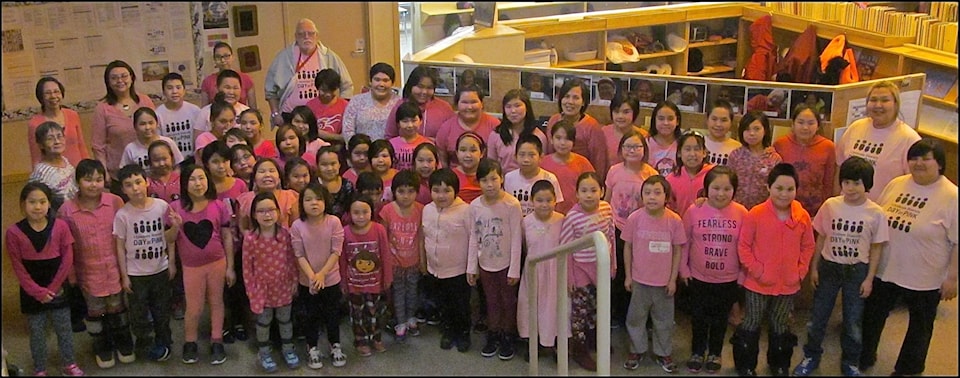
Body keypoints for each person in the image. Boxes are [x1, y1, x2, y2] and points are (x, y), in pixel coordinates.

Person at [860, 138, 958, 376]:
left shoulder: (952, 196)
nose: (919, 163)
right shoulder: (897, 184)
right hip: (887, 267)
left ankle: (908, 369)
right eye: (914, 158)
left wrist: (952, 278)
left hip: (925, 275)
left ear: (940, 164)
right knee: (872, 316)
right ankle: (864, 354)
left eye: (926, 158)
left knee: (920, 326)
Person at [791, 156, 887, 377]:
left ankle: (850, 362)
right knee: (818, 317)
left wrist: (869, 278)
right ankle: (811, 356)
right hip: (829, 267)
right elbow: (821, 238)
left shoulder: (876, 213)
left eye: (857, 183)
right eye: (846, 182)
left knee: (853, 320)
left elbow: (876, 248)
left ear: (867, 185)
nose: (850, 188)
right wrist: (814, 268)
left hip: (857, 271)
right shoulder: (831, 205)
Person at [731, 163, 815, 376]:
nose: (784, 194)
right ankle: (746, 365)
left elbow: (808, 246)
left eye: (790, 189)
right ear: (769, 188)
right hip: (758, 283)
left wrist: (800, 271)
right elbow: (744, 246)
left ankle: (779, 364)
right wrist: (757, 270)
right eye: (779, 188)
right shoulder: (756, 213)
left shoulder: (802, 215)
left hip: (788, 284)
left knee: (781, 324)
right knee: (752, 321)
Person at [57, 160, 134, 369]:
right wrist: (70, 274)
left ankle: (123, 340)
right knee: (96, 312)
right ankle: (102, 345)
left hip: (115, 267)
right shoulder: (67, 210)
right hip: (88, 272)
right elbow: (65, 245)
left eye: (99, 179)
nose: (94, 185)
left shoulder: (115, 201)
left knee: (117, 307)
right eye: (88, 180)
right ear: (78, 182)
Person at [5, 182, 85, 377]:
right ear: (23, 204)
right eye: (32, 202)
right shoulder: (13, 232)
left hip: (58, 286)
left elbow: (67, 258)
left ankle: (69, 363)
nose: (37, 206)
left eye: (42, 201)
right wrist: (38, 292)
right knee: (37, 331)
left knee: (64, 328)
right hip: (32, 290)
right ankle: (40, 368)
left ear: (49, 204)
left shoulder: (60, 226)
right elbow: (18, 266)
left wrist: (54, 287)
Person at [680, 165, 747, 374]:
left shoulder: (742, 213)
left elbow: (746, 247)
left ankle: (715, 353)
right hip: (698, 277)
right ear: (706, 189)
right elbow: (684, 242)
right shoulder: (694, 210)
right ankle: (697, 351)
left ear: (734, 190)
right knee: (699, 318)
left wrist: (742, 276)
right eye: (715, 188)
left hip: (728, 280)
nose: (721, 193)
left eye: (727, 189)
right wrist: (683, 269)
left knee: (720, 320)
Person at [113, 164, 179, 362]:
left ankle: (164, 341)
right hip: (136, 274)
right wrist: (124, 276)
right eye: (128, 185)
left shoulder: (161, 206)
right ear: (123, 189)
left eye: (138, 182)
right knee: (139, 312)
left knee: (162, 309)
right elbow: (119, 246)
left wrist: (172, 262)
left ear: (147, 182)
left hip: (160, 269)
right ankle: (144, 341)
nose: (135, 188)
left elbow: (170, 237)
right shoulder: (122, 215)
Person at [170, 165, 233, 365]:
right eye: (193, 179)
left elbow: (226, 235)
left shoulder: (219, 205)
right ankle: (190, 342)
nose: (198, 184)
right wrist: (176, 226)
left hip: (217, 262)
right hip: (191, 267)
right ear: (184, 184)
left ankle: (217, 340)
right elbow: (169, 239)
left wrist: (230, 266)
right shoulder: (176, 208)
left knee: (216, 302)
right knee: (194, 307)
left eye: (202, 178)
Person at [622, 176, 686, 373]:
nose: (652, 197)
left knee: (664, 320)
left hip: (664, 283)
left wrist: (673, 279)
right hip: (640, 281)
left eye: (657, 192)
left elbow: (677, 251)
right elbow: (628, 247)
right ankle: (637, 350)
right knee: (635, 318)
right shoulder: (634, 218)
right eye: (647, 193)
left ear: (666, 196)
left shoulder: (674, 220)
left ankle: (663, 352)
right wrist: (628, 275)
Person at [467, 159, 524, 360]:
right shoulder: (474, 206)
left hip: (506, 264)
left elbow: (517, 237)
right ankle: (494, 333)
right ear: (478, 182)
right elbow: (474, 237)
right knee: (491, 301)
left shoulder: (511, 204)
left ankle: (508, 335)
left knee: (508, 301)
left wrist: (514, 269)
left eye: (493, 179)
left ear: (501, 179)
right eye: (484, 180)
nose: (490, 184)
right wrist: (471, 267)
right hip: (485, 264)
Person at [560, 171, 616, 372]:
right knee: (580, 311)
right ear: (576, 194)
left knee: (597, 306)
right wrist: (570, 276)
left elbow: (611, 238)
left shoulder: (607, 208)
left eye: (594, 190)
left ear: (602, 191)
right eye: (584, 191)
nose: (589, 195)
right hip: (580, 270)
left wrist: (612, 264)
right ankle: (579, 348)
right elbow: (565, 249)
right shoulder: (572, 217)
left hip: (601, 268)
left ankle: (594, 339)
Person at [604, 130, 659, 325]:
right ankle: (617, 315)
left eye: (637, 146)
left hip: (641, 229)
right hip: (616, 227)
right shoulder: (614, 171)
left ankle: (638, 316)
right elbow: (607, 199)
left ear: (644, 150)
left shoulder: (651, 173)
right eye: (628, 146)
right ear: (621, 149)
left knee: (638, 271)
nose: (632, 150)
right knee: (617, 272)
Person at [242, 192, 300, 372]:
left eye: (271, 210)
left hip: (283, 286)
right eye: (261, 211)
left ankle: (288, 349)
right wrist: (251, 291)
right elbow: (247, 268)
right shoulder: (250, 239)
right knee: (263, 322)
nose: (267, 215)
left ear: (278, 212)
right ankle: (264, 352)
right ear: (254, 214)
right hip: (261, 289)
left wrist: (294, 281)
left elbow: (291, 259)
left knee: (285, 320)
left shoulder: (285, 234)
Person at [291, 182, 347, 369]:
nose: (314, 203)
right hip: (308, 280)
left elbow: (336, 251)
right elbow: (298, 254)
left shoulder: (334, 222)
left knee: (332, 314)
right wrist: (313, 277)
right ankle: (312, 347)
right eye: (308, 199)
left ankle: (335, 345)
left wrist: (322, 274)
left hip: (330, 278)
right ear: (302, 203)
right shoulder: (297, 225)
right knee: (311, 315)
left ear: (326, 201)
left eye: (318, 199)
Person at [836, 81, 921, 203]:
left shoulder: (909, 139)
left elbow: (915, 183)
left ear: (896, 104)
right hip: (847, 209)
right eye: (873, 100)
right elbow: (839, 166)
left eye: (885, 100)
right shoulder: (856, 127)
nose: (878, 105)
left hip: (883, 212)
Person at [265, 18, 354, 127]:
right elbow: (270, 91)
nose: (306, 37)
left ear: (317, 36)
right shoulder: (284, 57)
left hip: (322, 116)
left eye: (311, 33)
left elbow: (347, 85)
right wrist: (275, 114)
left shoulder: (329, 56)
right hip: (290, 115)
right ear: (296, 37)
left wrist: (339, 110)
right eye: (302, 34)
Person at [421, 168, 473, 352]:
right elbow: (423, 237)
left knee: (460, 304)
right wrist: (423, 263)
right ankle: (448, 331)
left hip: (458, 269)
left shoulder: (466, 211)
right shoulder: (427, 210)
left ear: (455, 191)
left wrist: (472, 267)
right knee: (443, 303)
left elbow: (474, 240)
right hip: (435, 268)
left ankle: (463, 333)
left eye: (446, 190)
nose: (441, 195)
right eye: (436, 190)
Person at [516, 180, 569, 360]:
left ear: (555, 200)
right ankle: (534, 343)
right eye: (539, 200)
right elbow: (524, 247)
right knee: (532, 306)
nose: (544, 204)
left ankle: (554, 343)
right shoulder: (525, 222)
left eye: (548, 200)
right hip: (534, 272)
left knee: (554, 308)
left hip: (555, 273)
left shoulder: (562, 220)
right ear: (531, 201)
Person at [341, 194, 393, 356]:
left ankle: (376, 338)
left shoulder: (379, 229)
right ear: (349, 213)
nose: (361, 216)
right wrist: (343, 283)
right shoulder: (345, 232)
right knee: (357, 314)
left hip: (375, 283)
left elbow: (385, 254)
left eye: (365, 212)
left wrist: (387, 277)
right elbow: (342, 260)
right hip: (354, 284)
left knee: (375, 312)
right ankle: (361, 340)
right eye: (356, 212)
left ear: (372, 211)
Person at [92, 60, 156, 188]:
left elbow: (156, 131)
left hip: (150, 170)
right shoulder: (102, 108)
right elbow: (98, 145)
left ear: (132, 78)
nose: (120, 80)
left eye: (124, 76)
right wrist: (104, 172)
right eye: (114, 78)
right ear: (108, 82)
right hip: (120, 175)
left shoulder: (145, 101)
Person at [379, 170, 425, 343]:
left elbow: (421, 237)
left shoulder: (420, 210)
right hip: (394, 262)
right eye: (401, 192)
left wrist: (422, 260)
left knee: (413, 290)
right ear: (394, 192)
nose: (406, 196)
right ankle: (400, 321)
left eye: (411, 191)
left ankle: (411, 317)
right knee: (398, 292)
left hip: (413, 260)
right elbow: (383, 238)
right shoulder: (387, 210)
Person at [773, 104, 836, 216]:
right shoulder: (780, 144)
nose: (805, 127)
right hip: (784, 208)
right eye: (800, 122)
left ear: (818, 126)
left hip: (815, 211)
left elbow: (829, 183)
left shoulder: (828, 147)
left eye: (811, 123)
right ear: (792, 124)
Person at [544, 78, 608, 182]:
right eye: (566, 97)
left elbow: (599, 161)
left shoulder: (592, 126)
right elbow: (549, 153)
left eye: (576, 98)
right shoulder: (553, 120)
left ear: (583, 102)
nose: (570, 102)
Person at [29, 77, 89, 168]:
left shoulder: (73, 115)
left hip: (77, 171)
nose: (53, 96)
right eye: (48, 93)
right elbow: (36, 156)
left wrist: (87, 168)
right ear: (41, 97)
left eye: (56, 92)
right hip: (53, 175)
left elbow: (81, 145)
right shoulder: (35, 123)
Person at [436, 84, 500, 169]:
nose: (469, 107)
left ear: (482, 104)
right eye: (464, 102)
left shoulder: (494, 125)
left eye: (474, 102)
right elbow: (442, 160)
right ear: (456, 104)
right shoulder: (446, 128)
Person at [384, 65, 456, 141]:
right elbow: (390, 137)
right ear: (411, 86)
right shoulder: (400, 106)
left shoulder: (444, 108)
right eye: (420, 87)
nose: (424, 92)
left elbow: (452, 138)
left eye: (429, 88)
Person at [728, 111, 782, 210]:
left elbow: (777, 188)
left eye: (757, 129)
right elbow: (728, 183)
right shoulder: (735, 156)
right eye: (747, 129)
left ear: (765, 130)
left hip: (763, 211)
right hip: (736, 210)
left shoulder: (774, 159)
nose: (752, 133)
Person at [540, 120, 595, 215]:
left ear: (573, 142)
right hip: (549, 214)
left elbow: (593, 186)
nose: (562, 143)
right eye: (558, 138)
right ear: (551, 140)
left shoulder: (583, 163)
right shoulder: (543, 163)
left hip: (577, 214)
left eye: (567, 139)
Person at [503, 134, 564, 217]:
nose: (526, 160)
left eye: (531, 155)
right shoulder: (509, 178)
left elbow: (557, 208)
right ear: (515, 156)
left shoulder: (550, 178)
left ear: (541, 157)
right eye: (522, 154)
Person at [487, 89, 546, 173]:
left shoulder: (539, 136)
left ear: (527, 107)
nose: (513, 111)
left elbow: (542, 166)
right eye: (508, 107)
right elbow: (491, 166)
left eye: (517, 106)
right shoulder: (496, 135)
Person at [341, 62, 402, 142]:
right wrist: (359, 150)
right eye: (377, 80)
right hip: (362, 151)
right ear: (370, 81)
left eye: (385, 80)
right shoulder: (356, 101)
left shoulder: (399, 103)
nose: (381, 84)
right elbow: (347, 131)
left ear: (392, 83)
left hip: (391, 152)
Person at [237, 158, 300, 233]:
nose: (267, 175)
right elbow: (243, 228)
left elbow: (296, 226)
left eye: (272, 171)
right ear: (254, 179)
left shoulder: (291, 197)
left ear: (279, 178)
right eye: (262, 171)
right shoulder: (245, 200)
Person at [120, 108, 184, 177]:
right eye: (142, 124)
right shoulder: (130, 149)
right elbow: (125, 173)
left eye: (151, 123)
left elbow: (177, 166)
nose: (147, 127)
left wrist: (172, 183)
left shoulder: (168, 142)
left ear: (157, 124)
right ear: (135, 127)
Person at [29, 122, 78, 212]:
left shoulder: (65, 161)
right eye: (50, 139)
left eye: (60, 136)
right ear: (41, 145)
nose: (57, 141)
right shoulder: (41, 172)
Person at [156, 73, 202, 160]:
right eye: (169, 88)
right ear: (163, 92)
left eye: (178, 87)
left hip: (193, 159)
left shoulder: (195, 111)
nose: (174, 91)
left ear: (184, 90)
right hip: (170, 162)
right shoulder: (158, 114)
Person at [666, 132, 713, 218]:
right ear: (679, 153)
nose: (692, 154)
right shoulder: (671, 179)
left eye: (697, 149)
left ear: (704, 153)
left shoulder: (714, 175)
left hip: (707, 226)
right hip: (680, 226)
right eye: (687, 149)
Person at [194, 70, 251, 138]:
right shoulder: (205, 112)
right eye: (227, 87)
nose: (231, 92)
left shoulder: (247, 111)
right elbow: (198, 141)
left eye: (235, 88)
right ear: (217, 88)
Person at [200, 42, 257, 108]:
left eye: (226, 56)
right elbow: (204, 109)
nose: (223, 60)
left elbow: (253, 108)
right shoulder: (207, 81)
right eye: (218, 57)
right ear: (214, 59)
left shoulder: (246, 79)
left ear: (232, 57)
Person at [304, 69, 350, 145]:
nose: (328, 94)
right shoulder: (310, 106)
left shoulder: (345, 106)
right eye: (324, 90)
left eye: (332, 91)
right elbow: (309, 131)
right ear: (317, 88)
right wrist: (337, 137)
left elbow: (348, 133)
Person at [602, 92, 648, 168]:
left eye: (626, 112)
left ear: (635, 113)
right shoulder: (603, 133)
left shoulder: (644, 136)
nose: (620, 116)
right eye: (616, 111)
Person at [389, 102, 434, 171]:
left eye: (414, 121)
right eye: (405, 121)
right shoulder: (391, 144)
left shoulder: (428, 144)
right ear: (398, 123)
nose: (410, 125)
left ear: (420, 121)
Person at [316, 145, 356, 219]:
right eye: (324, 164)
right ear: (317, 166)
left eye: (333, 164)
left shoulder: (347, 185)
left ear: (339, 164)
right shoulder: (313, 186)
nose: (329, 168)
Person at [647, 101, 681, 176]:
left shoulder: (682, 145)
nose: (666, 123)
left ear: (677, 121)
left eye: (670, 119)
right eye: (661, 119)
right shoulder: (645, 144)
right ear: (654, 120)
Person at [451, 132, 486, 204]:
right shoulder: (450, 176)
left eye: (473, 150)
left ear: (482, 153)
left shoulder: (488, 174)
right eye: (463, 150)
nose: (468, 155)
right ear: (457, 153)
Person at [703, 100, 740, 166]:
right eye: (714, 119)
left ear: (731, 122)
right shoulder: (698, 143)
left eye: (724, 120)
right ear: (707, 119)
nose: (718, 124)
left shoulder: (738, 149)